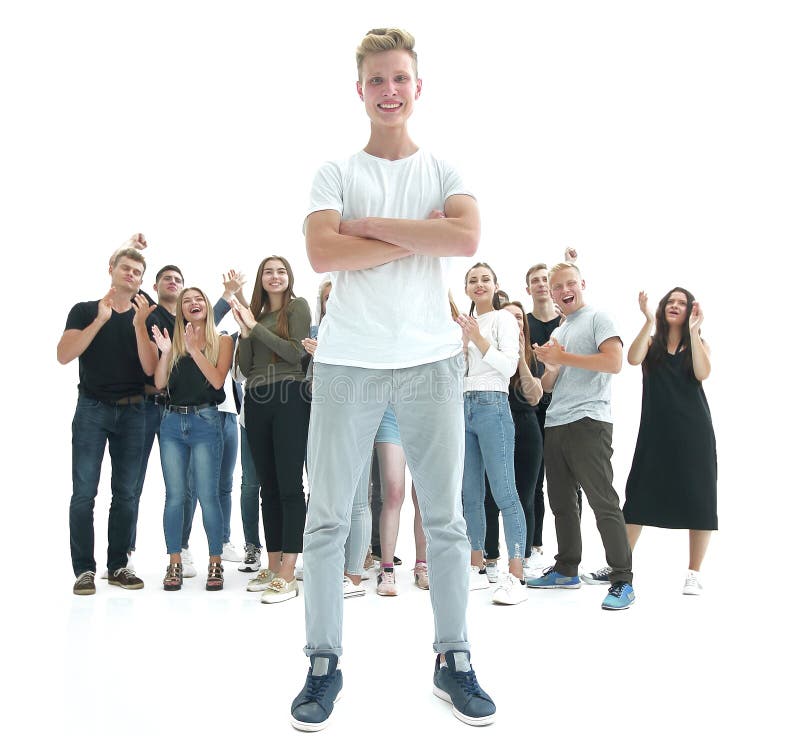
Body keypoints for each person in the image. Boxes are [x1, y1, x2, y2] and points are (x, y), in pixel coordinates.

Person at [291, 28, 495, 731]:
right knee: (326, 520)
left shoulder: (443, 169)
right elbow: (321, 253)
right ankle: (323, 662)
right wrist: (416, 233)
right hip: (348, 361)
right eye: (376, 80)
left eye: (399, 78)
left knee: (445, 520)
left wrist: (371, 229)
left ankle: (454, 659)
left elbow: (465, 240)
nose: (388, 90)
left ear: (416, 87)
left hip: (430, 361)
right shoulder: (334, 172)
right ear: (360, 89)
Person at [527, 261, 635, 611]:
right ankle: (566, 568)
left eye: (569, 284)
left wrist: (563, 356)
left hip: (590, 421)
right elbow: (548, 385)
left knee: (602, 501)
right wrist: (550, 363)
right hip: (556, 421)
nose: (562, 291)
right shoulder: (561, 329)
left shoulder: (598, 318)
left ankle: (622, 580)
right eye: (556, 287)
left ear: (582, 284)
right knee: (561, 503)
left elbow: (614, 363)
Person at [58, 237, 152, 595]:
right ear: (111, 270)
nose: (131, 274)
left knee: (126, 494)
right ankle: (84, 570)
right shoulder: (84, 310)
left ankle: (118, 566)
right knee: (84, 492)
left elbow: (150, 369)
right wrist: (100, 321)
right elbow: (64, 355)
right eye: (125, 268)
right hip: (92, 409)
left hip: (133, 412)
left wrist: (140, 325)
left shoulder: (146, 312)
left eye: (138, 272)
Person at [621, 289, 716, 595]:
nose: (675, 306)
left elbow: (702, 372)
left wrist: (695, 332)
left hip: (694, 432)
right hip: (655, 431)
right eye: (670, 302)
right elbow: (632, 358)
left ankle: (694, 572)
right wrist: (647, 320)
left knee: (700, 498)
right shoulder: (651, 343)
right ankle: (620, 565)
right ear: (662, 309)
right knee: (637, 497)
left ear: (690, 311)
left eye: (682, 303)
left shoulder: (698, 345)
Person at [230, 255, 311, 604]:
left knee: (290, 486)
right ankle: (273, 563)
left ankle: (289, 571)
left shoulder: (298, 307)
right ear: (261, 279)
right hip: (257, 399)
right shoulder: (255, 316)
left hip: (290, 396)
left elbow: (295, 354)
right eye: (268, 272)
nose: (274, 276)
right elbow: (245, 368)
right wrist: (247, 332)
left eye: (280, 271)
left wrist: (256, 327)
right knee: (268, 488)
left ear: (288, 277)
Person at [458, 263, 531, 606]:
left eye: (485, 279)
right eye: (473, 280)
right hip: (463, 406)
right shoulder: (464, 324)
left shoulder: (501, 319)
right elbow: (459, 372)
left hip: (492, 405)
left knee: (504, 490)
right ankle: (477, 566)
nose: (479, 284)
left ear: (496, 285)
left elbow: (509, 367)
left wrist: (478, 339)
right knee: (469, 492)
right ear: (466, 288)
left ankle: (515, 573)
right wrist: (461, 347)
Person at [152, 287, 233, 591]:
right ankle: (174, 563)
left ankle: (215, 562)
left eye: (198, 299)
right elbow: (160, 382)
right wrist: (168, 351)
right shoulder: (173, 343)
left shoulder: (222, 340)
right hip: (172, 422)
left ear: (207, 307)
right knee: (174, 497)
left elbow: (216, 380)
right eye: (187, 301)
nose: (193, 303)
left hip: (204, 421)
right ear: (181, 311)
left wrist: (194, 349)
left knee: (207, 496)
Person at [126, 263, 184, 572]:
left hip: (178, 410)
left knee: (181, 485)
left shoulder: (189, 319)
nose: (172, 283)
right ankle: (125, 552)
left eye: (177, 280)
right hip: (148, 406)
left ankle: (180, 550)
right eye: (167, 279)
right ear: (156, 284)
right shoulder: (149, 312)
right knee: (132, 482)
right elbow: (126, 284)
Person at [482, 301, 544, 584]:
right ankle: (490, 557)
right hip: (492, 424)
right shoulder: (486, 351)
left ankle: (523, 558)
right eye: (508, 317)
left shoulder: (531, 355)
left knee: (524, 496)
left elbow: (534, 397)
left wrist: (519, 355)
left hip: (525, 426)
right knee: (490, 496)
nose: (515, 321)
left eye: (519, 318)